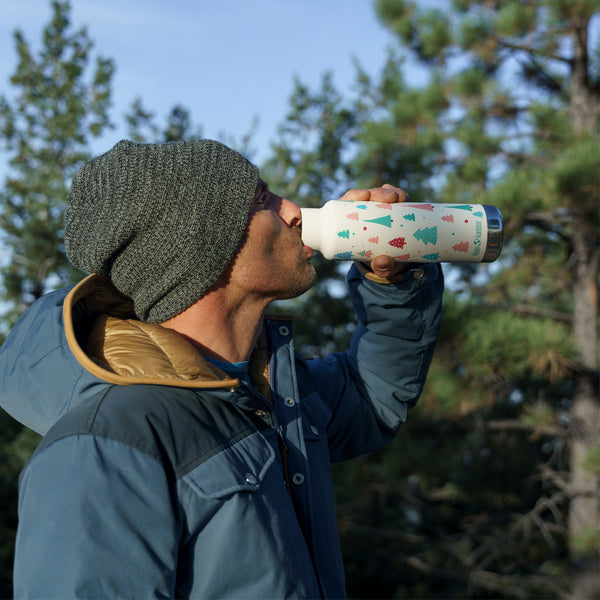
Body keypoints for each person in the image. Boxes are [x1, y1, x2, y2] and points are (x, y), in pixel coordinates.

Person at [0, 139, 443, 599]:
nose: (293, 211)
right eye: (261, 199)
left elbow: (369, 397)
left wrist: (391, 282)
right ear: (198, 241)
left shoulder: (264, 393)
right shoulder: (104, 443)